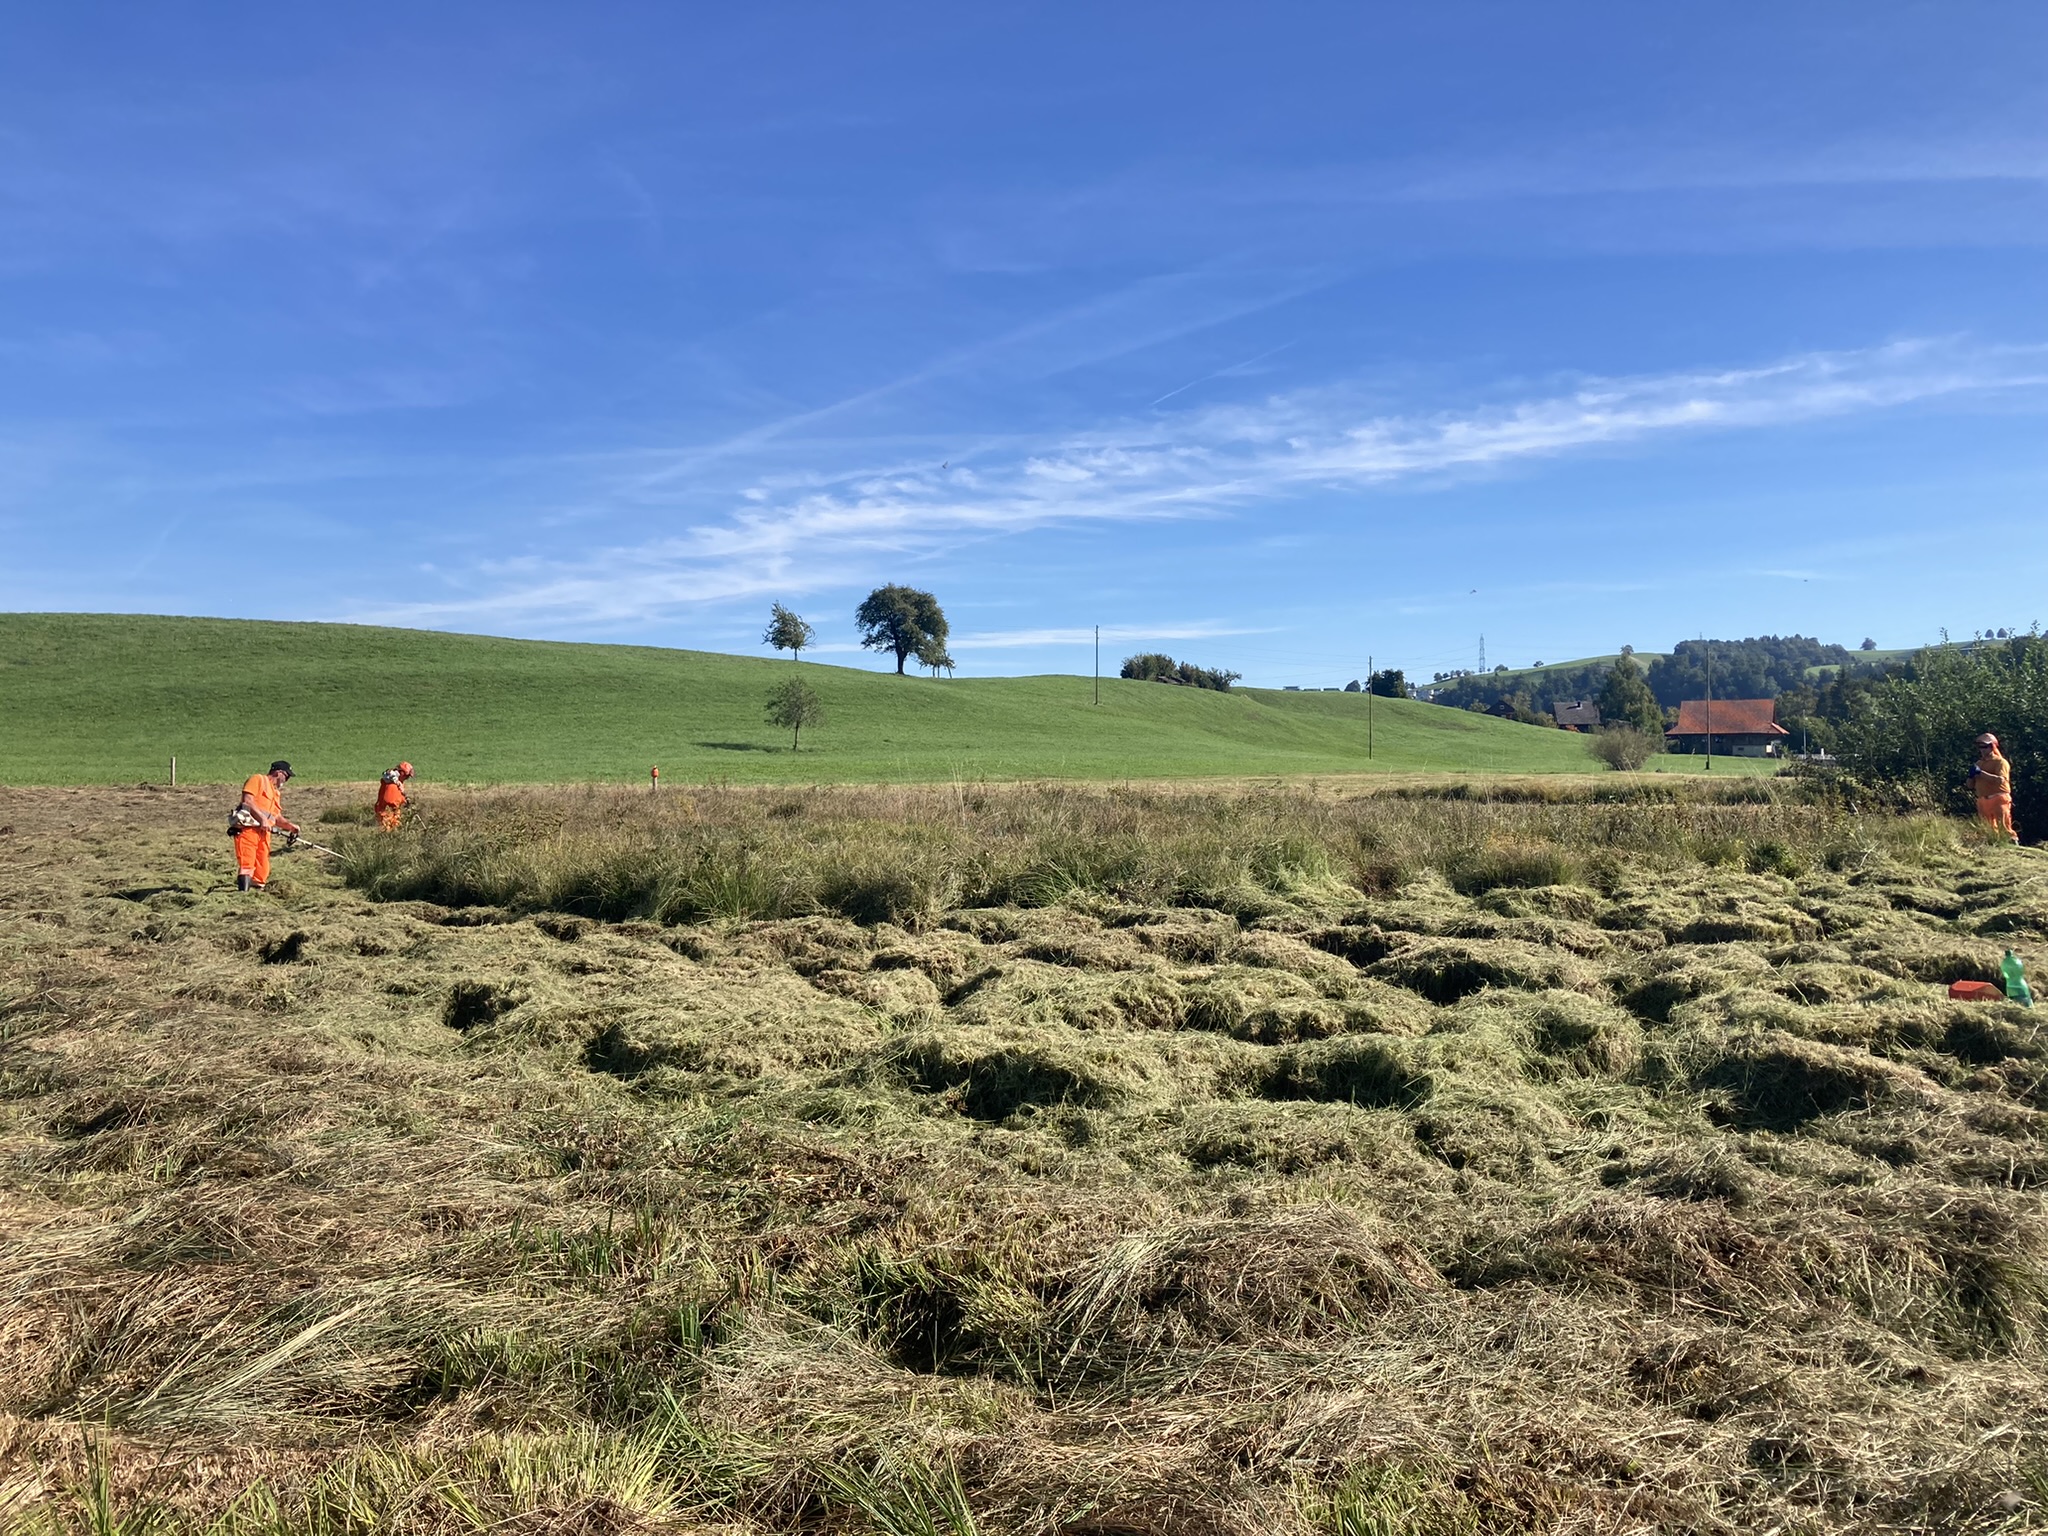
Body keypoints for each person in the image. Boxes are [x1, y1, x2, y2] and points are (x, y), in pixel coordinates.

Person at [230, 760, 300, 892]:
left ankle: (257, 891)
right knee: (247, 862)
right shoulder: (257, 780)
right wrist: (262, 820)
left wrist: (290, 827)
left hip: (264, 833)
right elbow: (248, 801)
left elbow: (276, 817)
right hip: (248, 828)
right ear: (278, 773)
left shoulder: (275, 793)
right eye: (287, 776)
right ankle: (242, 895)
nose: (287, 779)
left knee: (262, 866)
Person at [1969, 732, 2018, 843]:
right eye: (1980, 747)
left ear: (1993, 746)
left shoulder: (2001, 762)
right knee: (1987, 828)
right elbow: (1970, 785)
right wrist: (1971, 776)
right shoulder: (1979, 763)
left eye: (1985, 747)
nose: (1982, 750)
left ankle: (2012, 843)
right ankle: (1995, 845)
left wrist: (1981, 773)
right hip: (1982, 799)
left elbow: (2001, 780)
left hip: (1999, 798)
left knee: (2004, 826)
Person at [375, 760, 414, 830]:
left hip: (393, 814)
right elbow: (390, 801)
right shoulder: (391, 782)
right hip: (387, 814)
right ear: (402, 773)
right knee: (387, 831)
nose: (407, 778)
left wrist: (405, 801)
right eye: (406, 776)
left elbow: (399, 797)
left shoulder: (398, 784)